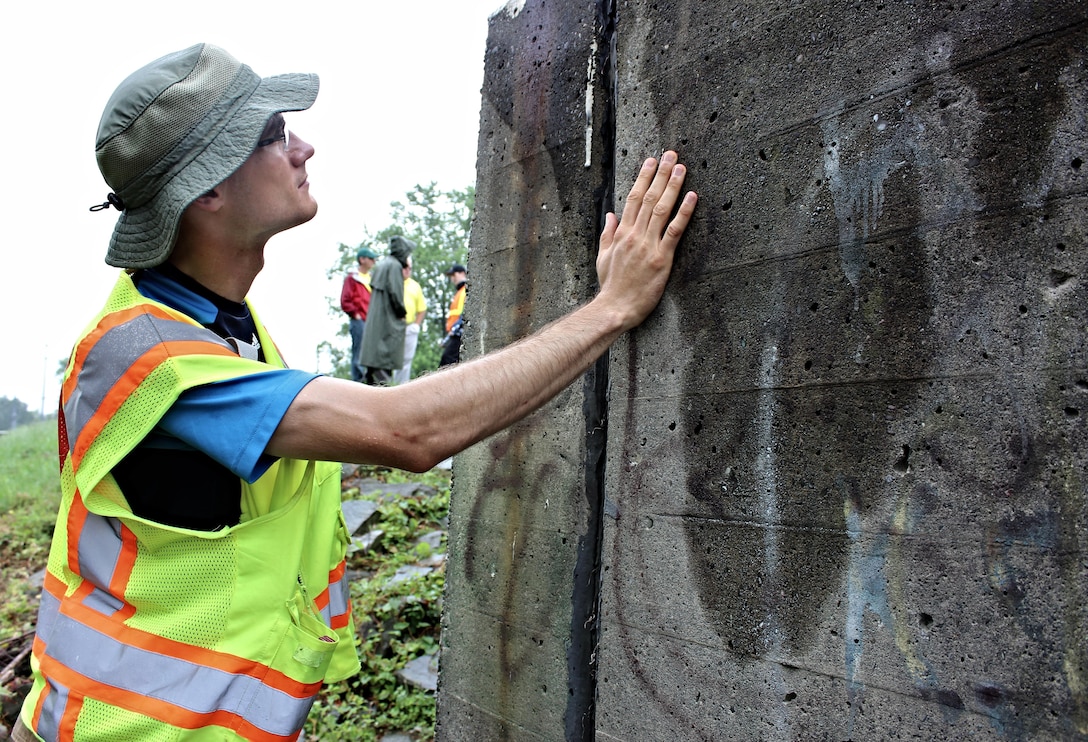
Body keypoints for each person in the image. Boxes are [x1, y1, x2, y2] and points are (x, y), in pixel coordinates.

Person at [14, 42, 695, 742]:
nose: (303, 146)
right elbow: (406, 431)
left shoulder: (217, 325)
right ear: (209, 188)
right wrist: (613, 306)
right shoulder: (154, 356)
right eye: (274, 135)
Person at [358, 235, 414, 385]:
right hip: (386, 325)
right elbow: (396, 294)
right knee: (382, 370)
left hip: (376, 324)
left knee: (372, 370)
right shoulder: (395, 266)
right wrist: (402, 314)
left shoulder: (383, 265)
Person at [340, 246, 377, 382]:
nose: (374, 261)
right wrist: (355, 314)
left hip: (372, 321)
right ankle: (358, 381)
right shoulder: (352, 278)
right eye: (371, 258)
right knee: (359, 353)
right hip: (359, 320)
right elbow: (345, 300)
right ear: (362, 259)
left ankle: (371, 381)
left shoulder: (373, 278)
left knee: (372, 352)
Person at [396, 256, 427, 385]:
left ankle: (401, 387)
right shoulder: (392, 283)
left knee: (406, 361)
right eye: (405, 267)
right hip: (392, 327)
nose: (408, 270)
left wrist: (416, 325)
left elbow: (422, 308)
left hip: (409, 327)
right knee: (386, 360)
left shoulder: (415, 286)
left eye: (410, 268)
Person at [439, 263, 468, 367]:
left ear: (462, 273)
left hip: (459, 333)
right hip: (456, 333)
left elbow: (464, 313)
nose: (452, 279)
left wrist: (455, 329)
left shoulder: (466, 290)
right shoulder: (460, 292)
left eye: (454, 275)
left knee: (448, 361)